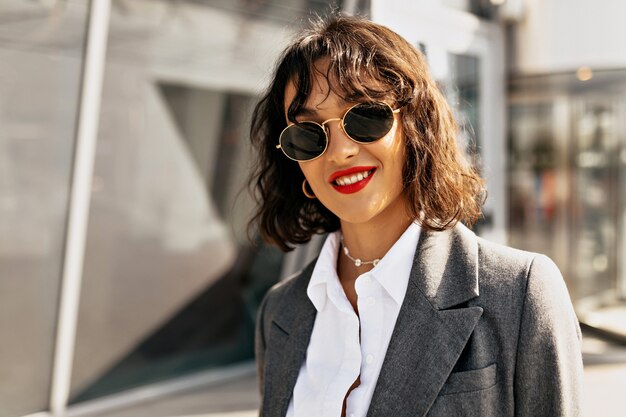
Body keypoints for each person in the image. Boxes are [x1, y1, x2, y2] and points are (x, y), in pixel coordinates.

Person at [249, 14, 583, 417]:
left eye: (364, 116)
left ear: (415, 125)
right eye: (308, 133)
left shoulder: (520, 293)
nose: (339, 152)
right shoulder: (280, 312)